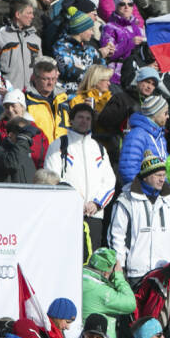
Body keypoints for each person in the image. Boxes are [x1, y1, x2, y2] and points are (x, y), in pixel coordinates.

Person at [44, 103, 116, 250]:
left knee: (90, 264)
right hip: (68, 215)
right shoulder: (59, 145)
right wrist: (74, 203)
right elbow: (52, 179)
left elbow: (109, 181)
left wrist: (97, 203)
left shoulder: (99, 148)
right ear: (71, 120)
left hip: (94, 215)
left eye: (88, 118)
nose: (84, 121)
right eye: (80, 117)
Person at [108, 152, 170, 284]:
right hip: (135, 273)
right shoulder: (127, 200)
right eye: (158, 175)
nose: (162, 179)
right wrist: (119, 265)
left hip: (165, 270)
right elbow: (117, 236)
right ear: (146, 176)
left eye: (164, 175)